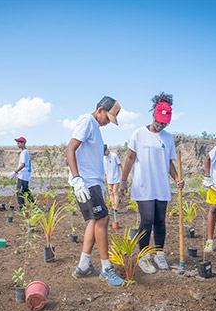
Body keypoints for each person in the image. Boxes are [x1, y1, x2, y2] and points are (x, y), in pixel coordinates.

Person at [120, 92, 184, 274]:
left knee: (160, 221)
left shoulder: (168, 138)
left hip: (161, 185)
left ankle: (159, 253)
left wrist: (177, 178)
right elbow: (130, 157)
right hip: (143, 185)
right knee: (147, 220)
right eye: (158, 121)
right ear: (153, 116)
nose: (161, 125)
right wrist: (123, 181)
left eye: (165, 123)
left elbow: (169, 163)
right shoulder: (139, 134)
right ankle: (144, 256)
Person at [66, 95, 124, 287]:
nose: (107, 122)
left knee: (96, 219)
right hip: (85, 183)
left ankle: (84, 266)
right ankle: (106, 268)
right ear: (100, 110)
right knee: (103, 219)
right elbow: (70, 149)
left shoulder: (96, 128)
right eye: (107, 118)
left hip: (93, 183)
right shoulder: (87, 121)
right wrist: (76, 179)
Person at [7, 137, 33, 213]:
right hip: (25, 174)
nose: (17, 144)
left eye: (19, 142)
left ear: (23, 143)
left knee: (19, 191)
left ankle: (22, 208)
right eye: (17, 143)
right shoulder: (25, 152)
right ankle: (33, 206)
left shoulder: (24, 152)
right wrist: (17, 173)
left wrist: (15, 172)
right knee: (26, 191)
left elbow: (23, 164)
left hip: (23, 175)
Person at [103, 144, 123, 214]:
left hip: (116, 177)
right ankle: (113, 206)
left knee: (115, 192)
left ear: (107, 150)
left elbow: (120, 165)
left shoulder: (114, 156)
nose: (104, 154)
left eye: (104, 152)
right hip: (109, 177)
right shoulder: (104, 158)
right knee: (110, 192)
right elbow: (105, 168)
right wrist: (104, 176)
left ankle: (115, 208)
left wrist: (122, 176)